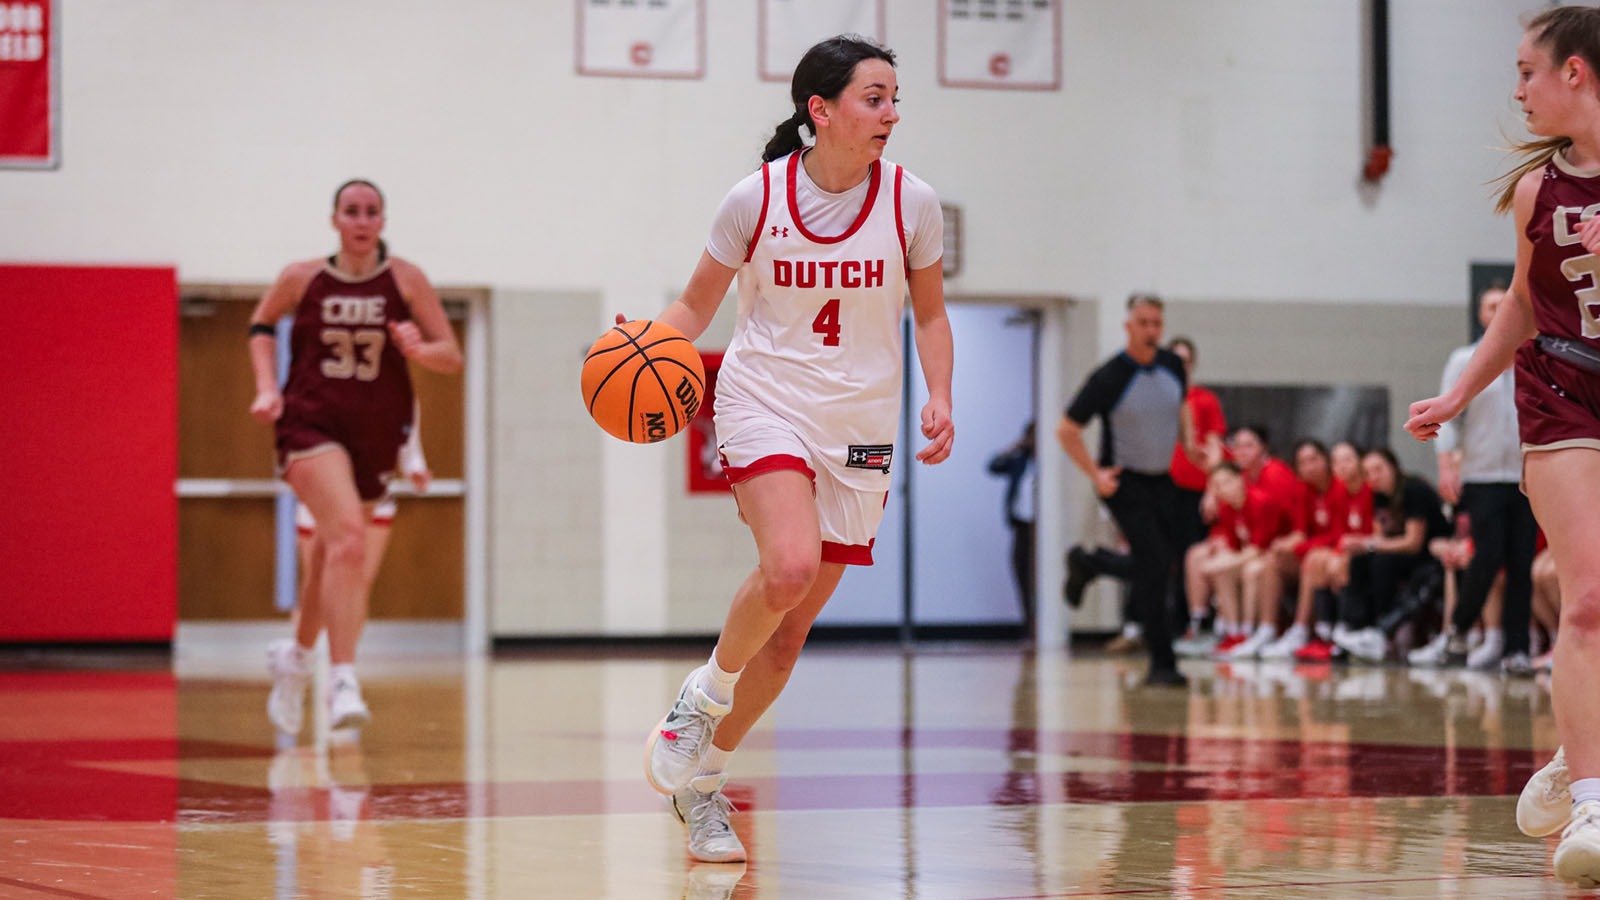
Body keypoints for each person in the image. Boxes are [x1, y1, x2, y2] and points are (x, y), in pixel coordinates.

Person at [637, 35, 955, 865]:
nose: (892, 113)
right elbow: (695, 306)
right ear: (821, 109)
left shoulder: (913, 203)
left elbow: (932, 315)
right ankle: (700, 697)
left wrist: (943, 397)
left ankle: (704, 781)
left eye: (894, 98)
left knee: (786, 638)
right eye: (874, 98)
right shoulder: (755, 199)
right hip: (764, 401)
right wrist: (637, 349)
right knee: (786, 565)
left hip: (857, 428)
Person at [1406, 8, 1600, 883]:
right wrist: (1458, 390)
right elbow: (1522, 304)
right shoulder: (1537, 190)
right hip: (1562, 393)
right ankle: (1594, 802)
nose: (1516, 90)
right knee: (1587, 597)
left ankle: (1575, 746)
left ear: (1577, 74)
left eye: (1528, 72)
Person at [249, 179, 463, 734]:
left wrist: (420, 348)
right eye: (352, 211)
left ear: (383, 221)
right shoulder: (302, 277)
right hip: (310, 422)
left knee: (331, 554)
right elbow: (261, 325)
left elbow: (450, 356)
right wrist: (267, 387)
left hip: (374, 431)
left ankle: (295, 658)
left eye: (372, 212)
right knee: (346, 536)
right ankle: (341, 678)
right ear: (335, 220)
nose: (362, 220)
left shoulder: (406, 280)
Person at [1058, 293, 1193, 687]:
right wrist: (1095, 473)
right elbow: (1067, 430)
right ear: (1128, 326)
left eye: (1157, 323)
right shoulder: (1109, 377)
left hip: (1161, 480)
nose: (1152, 330)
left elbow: (1179, 405)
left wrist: (1191, 442)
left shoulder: (1173, 366)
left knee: (1158, 565)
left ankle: (1091, 562)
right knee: (1155, 564)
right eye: (1144, 323)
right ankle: (1162, 664)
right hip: (1123, 483)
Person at [1408, 285, 1538, 675]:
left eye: (1505, 302)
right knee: (1488, 555)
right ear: (1481, 314)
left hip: (1526, 477)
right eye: (1491, 305)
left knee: (1521, 563)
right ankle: (1460, 630)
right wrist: (1446, 463)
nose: (1498, 309)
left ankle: (1516, 649)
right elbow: (1450, 416)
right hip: (1480, 476)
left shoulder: (1535, 358)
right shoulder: (1465, 360)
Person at [1328, 448, 1449, 663]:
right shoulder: (1378, 496)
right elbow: (1378, 538)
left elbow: (1413, 543)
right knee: (1359, 560)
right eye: (1368, 472)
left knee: (1382, 561)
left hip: (1429, 556)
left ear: (1393, 467)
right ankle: (1356, 626)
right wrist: (1363, 545)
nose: (1373, 477)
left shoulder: (1414, 489)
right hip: (1398, 554)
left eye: (1378, 469)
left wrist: (1370, 545)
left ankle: (1383, 630)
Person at [988, 421, 1037, 634]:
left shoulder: (1050, 465)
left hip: (1041, 529)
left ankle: (1042, 624)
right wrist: (1016, 446)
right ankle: (1029, 626)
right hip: (1022, 526)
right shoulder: (1020, 462)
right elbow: (993, 466)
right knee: (1021, 573)